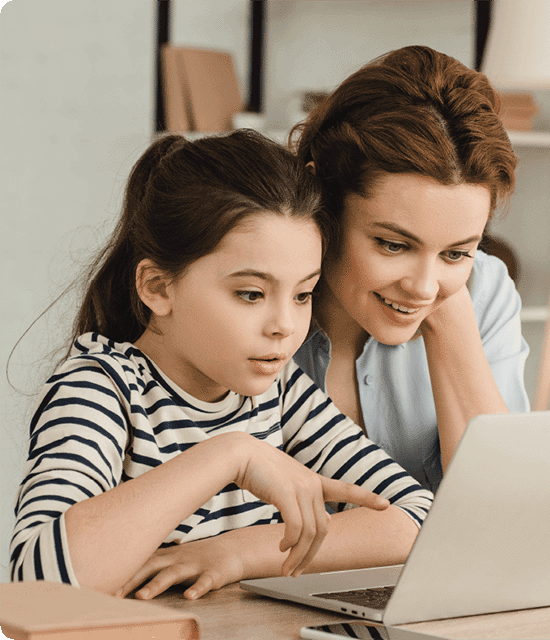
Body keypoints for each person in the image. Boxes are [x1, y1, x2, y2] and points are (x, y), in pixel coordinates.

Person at [10, 130, 433, 601]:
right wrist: (229, 455)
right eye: (251, 294)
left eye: (302, 294)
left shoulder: (281, 392)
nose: (285, 326)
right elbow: (37, 587)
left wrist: (235, 554)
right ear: (157, 287)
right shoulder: (101, 388)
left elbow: (420, 517)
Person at [292, 45, 530, 494]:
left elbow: (503, 505)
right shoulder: (249, 296)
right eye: (393, 244)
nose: (422, 286)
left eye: (456, 253)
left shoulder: (484, 290)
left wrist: (452, 319)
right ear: (321, 200)